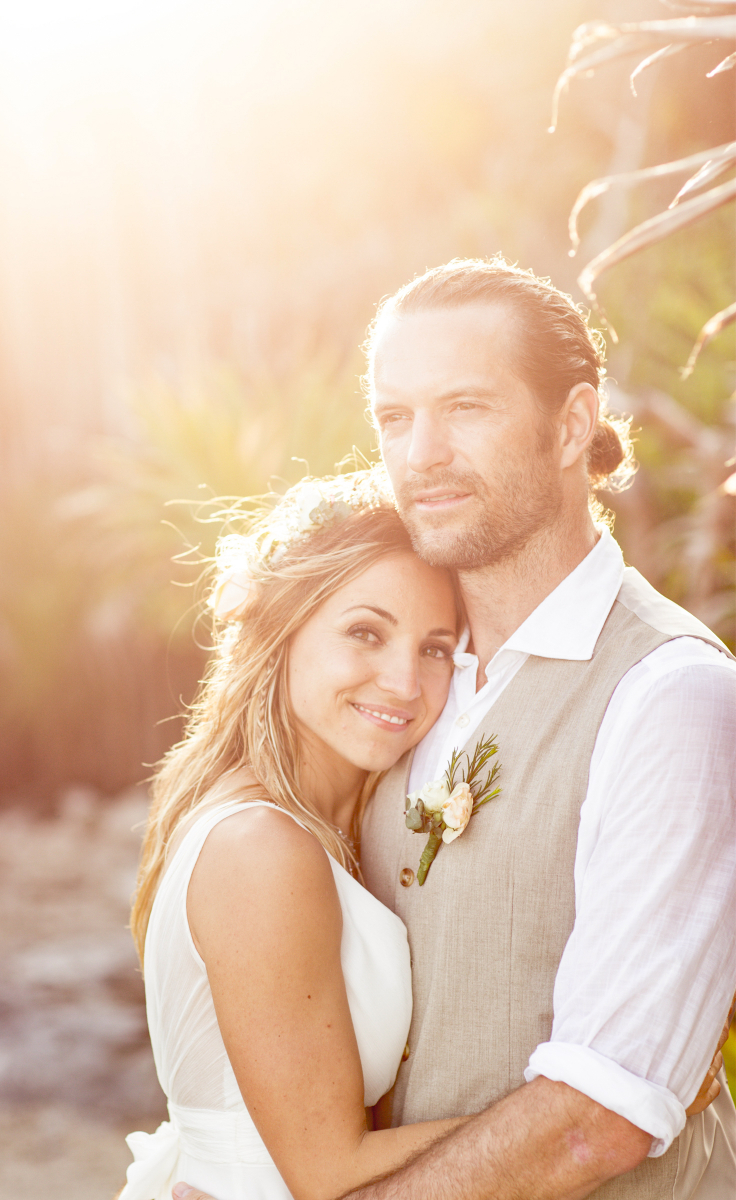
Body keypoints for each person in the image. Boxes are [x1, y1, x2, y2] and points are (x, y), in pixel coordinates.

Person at [170, 258, 736, 1200]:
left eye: (465, 407)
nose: (419, 452)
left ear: (571, 425)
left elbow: (601, 1122)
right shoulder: (402, 687)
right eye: (395, 417)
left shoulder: (668, 694)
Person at [119, 470, 474, 1200]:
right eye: (365, 633)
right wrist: (582, 1110)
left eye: (436, 647)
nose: (405, 682)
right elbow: (327, 1169)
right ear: (283, 630)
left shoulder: (325, 829)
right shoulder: (261, 848)